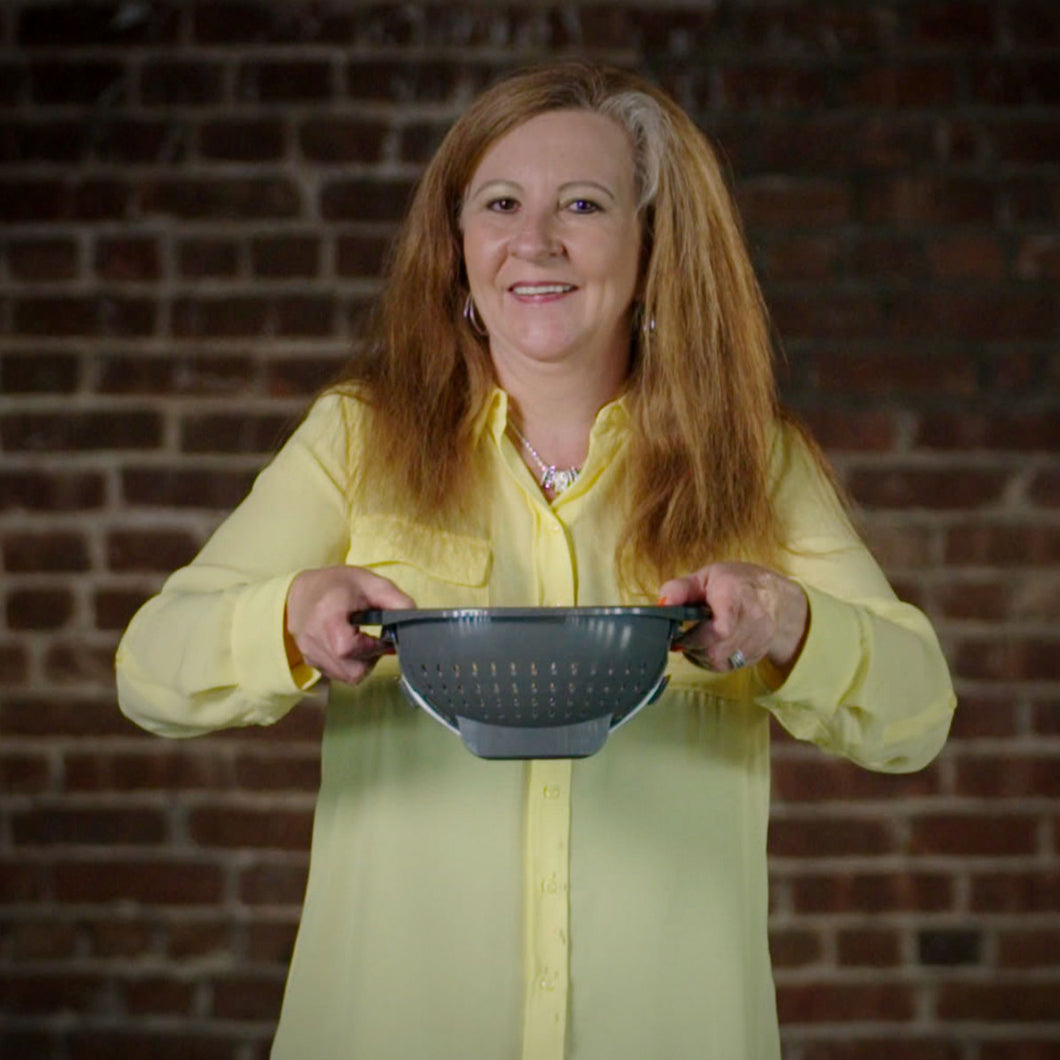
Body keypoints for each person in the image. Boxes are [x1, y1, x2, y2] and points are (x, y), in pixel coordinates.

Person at [115, 60, 956, 1060]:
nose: (535, 240)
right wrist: (288, 617)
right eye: (501, 203)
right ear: (456, 242)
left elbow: (917, 714)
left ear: (653, 245)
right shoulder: (355, 439)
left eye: (584, 205)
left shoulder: (751, 460)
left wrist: (790, 621)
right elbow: (149, 669)